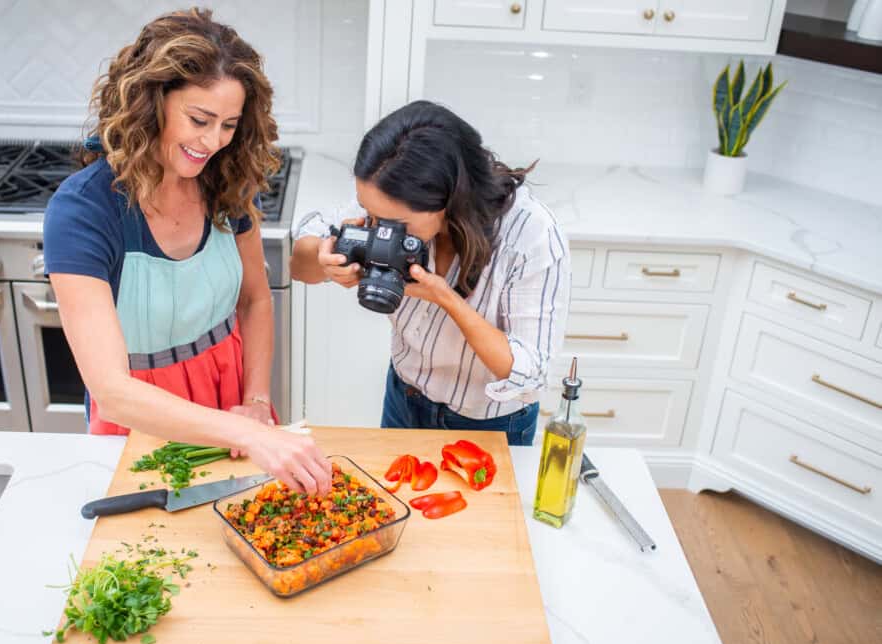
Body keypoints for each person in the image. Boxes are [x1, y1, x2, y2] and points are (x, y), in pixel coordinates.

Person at [43, 8, 330, 493]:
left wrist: (256, 401)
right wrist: (244, 432)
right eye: (199, 119)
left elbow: (255, 299)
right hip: (141, 413)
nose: (212, 142)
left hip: (233, 394)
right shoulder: (83, 211)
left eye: (228, 125)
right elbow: (111, 392)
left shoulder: (229, 183)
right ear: (150, 103)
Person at [291, 101, 570, 446]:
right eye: (368, 211)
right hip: (403, 398)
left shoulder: (530, 235)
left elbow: (530, 371)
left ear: (449, 200)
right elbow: (299, 265)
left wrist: (445, 298)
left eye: (394, 223)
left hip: (489, 423)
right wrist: (323, 258)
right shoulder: (386, 198)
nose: (378, 228)